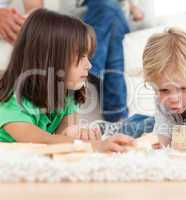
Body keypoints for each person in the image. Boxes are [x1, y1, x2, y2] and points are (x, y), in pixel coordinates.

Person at [0, 9, 134, 153]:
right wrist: (93, 146)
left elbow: (63, 138)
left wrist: (81, 136)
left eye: (88, 56)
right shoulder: (12, 101)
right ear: (49, 59)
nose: (89, 65)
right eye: (81, 56)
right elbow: (42, 140)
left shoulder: (66, 95)